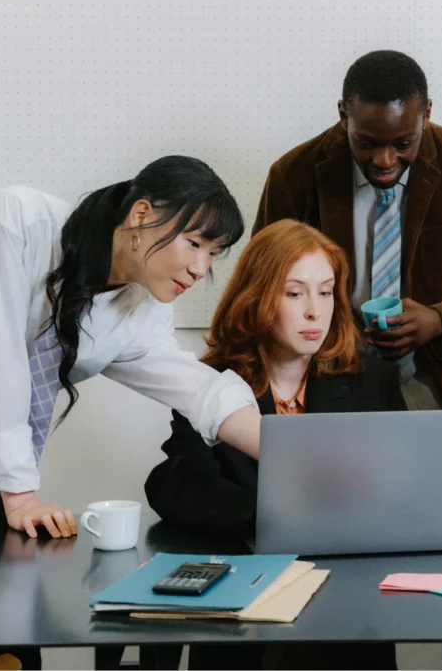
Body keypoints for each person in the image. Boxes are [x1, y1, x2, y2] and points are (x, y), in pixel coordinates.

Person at [0, 157, 263, 669]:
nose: (201, 269)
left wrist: (292, 458)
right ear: (142, 215)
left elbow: (198, 391)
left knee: (14, 630)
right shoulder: (20, 221)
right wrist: (19, 495)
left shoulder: (141, 312)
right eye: (194, 244)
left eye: (214, 254)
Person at [145, 219, 404, 670]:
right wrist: (278, 515)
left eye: (325, 292)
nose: (314, 312)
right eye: (294, 293)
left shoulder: (369, 380)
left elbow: (398, 484)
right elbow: (180, 487)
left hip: (347, 597)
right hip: (246, 600)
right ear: (258, 296)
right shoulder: (210, 384)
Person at [253, 50, 442, 411]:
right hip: (324, 375)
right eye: (367, 143)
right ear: (344, 115)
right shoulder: (293, 175)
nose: (385, 160)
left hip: (438, 373)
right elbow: (261, 285)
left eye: (404, 143)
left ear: (427, 115)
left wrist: (440, 318)